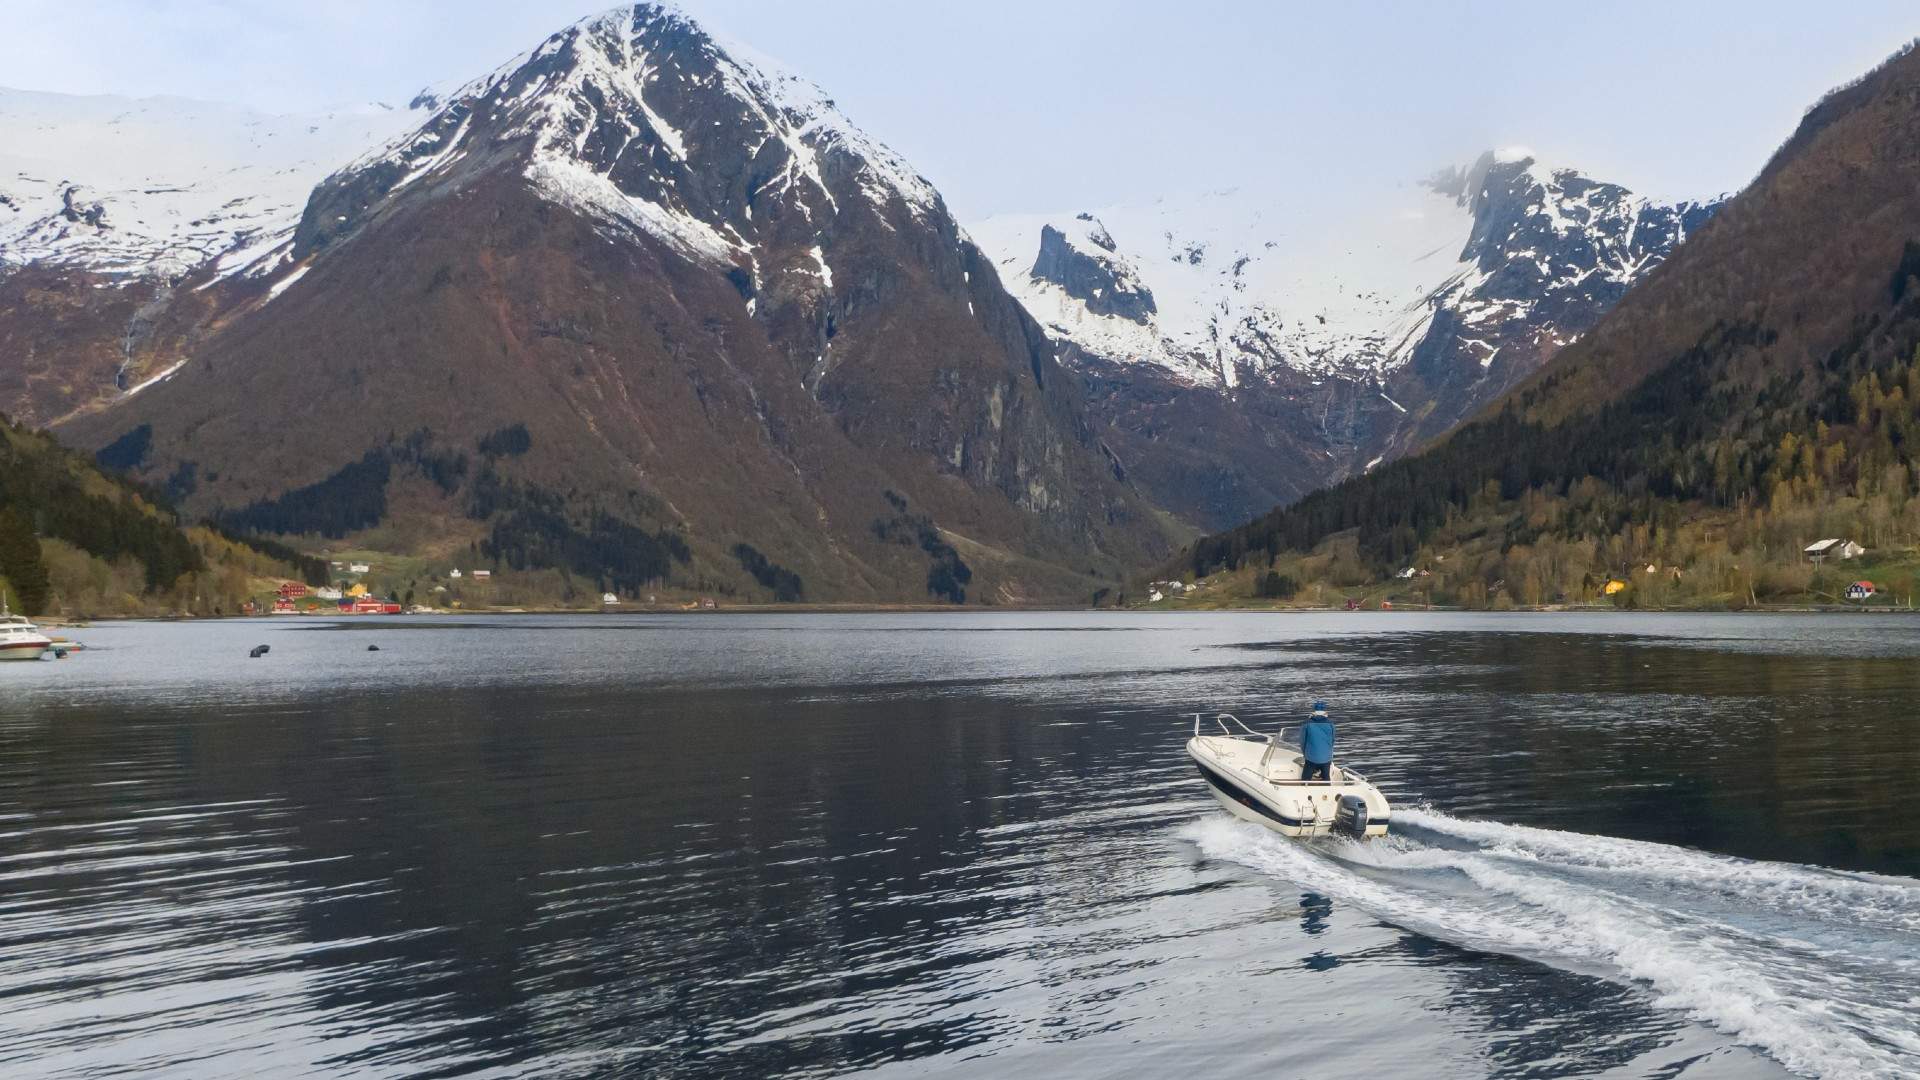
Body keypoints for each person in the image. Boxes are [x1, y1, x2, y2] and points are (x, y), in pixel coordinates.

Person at [1300, 701, 1334, 781]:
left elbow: (1302, 741)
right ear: (1324, 711)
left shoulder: (1306, 724)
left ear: (1314, 710)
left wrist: (1305, 754)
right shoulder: (1331, 724)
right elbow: (1332, 741)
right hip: (1326, 758)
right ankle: (1328, 789)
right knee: (1326, 778)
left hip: (1311, 758)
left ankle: (1305, 789)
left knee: (1305, 779)